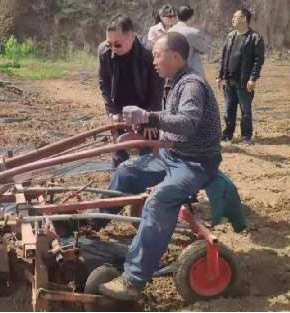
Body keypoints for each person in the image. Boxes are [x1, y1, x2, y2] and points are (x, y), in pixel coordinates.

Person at [98, 32, 223, 300]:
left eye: (157, 54)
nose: (153, 60)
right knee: (126, 171)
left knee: (158, 201)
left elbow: (188, 122)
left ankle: (132, 280)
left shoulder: (191, 85)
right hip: (174, 156)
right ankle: (92, 223)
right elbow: (170, 123)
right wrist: (145, 123)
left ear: (176, 57)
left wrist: (150, 116)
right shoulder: (172, 81)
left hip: (196, 164)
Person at [98, 14, 163, 169]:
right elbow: (104, 83)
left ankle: (150, 181)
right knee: (119, 148)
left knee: (148, 148)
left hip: (145, 106)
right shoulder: (104, 51)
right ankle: (120, 181)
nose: (113, 48)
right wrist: (113, 111)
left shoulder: (149, 53)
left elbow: (157, 89)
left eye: (118, 44)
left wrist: (151, 118)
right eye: (110, 43)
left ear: (132, 36)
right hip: (118, 106)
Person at [217, 8, 265, 145]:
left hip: (244, 81)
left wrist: (253, 78)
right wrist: (220, 76)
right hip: (229, 80)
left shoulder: (255, 38)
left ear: (244, 19)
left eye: (235, 16)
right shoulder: (231, 35)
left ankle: (246, 137)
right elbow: (224, 57)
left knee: (245, 110)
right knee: (229, 110)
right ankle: (227, 134)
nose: (232, 19)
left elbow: (258, 61)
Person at [169, 5, 209, 76]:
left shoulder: (169, 31)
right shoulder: (193, 32)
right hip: (192, 74)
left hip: (173, 72)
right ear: (191, 18)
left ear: (177, 16)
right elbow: (205, 49)